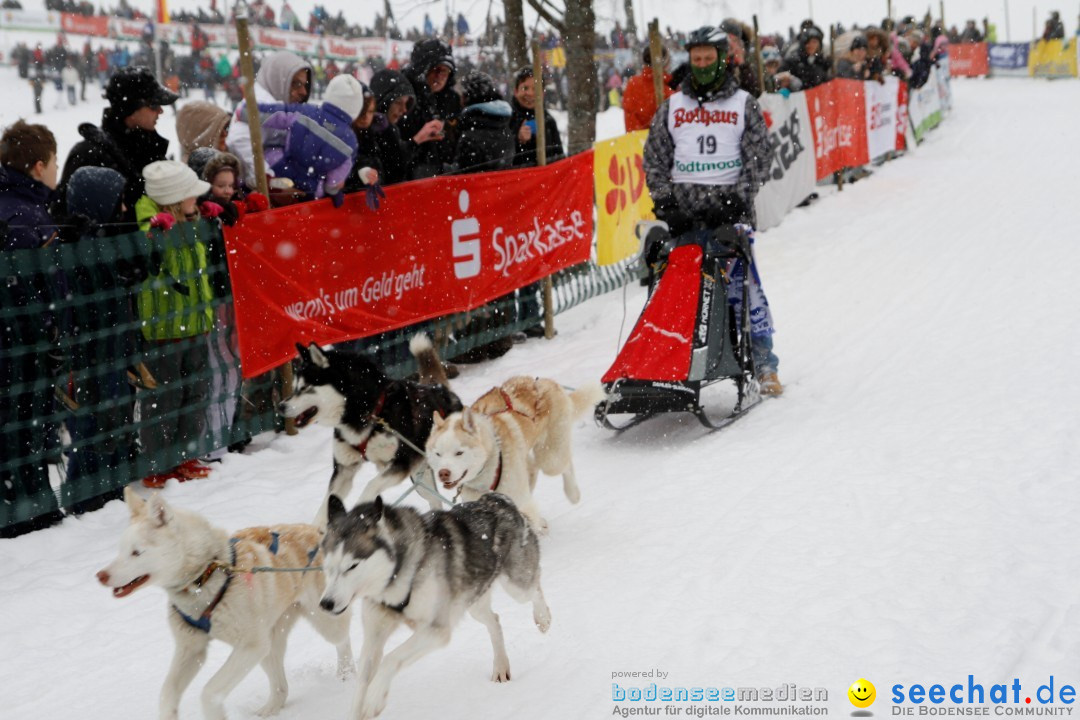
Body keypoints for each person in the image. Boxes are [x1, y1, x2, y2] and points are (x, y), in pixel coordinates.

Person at [643, 26, 781, 396]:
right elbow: (654, 157)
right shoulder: (673, 106)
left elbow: (758, 156)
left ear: (723, 60)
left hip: (729, 217)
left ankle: (764, 364)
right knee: (682, 295)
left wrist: (737, 200)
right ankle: (677, 365)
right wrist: (666, 204)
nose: (702, 65)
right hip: (684, 218)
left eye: (709, 59)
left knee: (742, 291)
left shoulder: (742, 103)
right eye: (696, 59)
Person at [61, 165, 141, 516]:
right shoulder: (75, 247)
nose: (124, 209)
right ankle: (84, 497)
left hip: (114, 348)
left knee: (118, 418)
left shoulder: (108, 238)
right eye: (117, 202)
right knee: (93, 426)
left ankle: (113, 488)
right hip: (90, 355)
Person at [0, 119, 64, 536]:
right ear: (39, 166)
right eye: (55, 161)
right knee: (24, 424)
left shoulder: (25, 206)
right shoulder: (21, 215)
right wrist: (49, 326)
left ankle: (33, 503)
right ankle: (24, 511)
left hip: (20, 339)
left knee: (26, 423)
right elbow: (30, 286)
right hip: (19, 341)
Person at [134, 160, 216, 487]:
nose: (196, 200)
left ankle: (186, 454)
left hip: (195, 321)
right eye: (191, 195)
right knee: (163, 398)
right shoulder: (149, 221)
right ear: (172, 198)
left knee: (196, 391)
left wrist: (209, 216)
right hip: (165, 329)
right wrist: (156, 234)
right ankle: (158, 462)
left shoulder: (189, 218)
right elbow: (147, 256)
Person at [57, 65, 178, 223]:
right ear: (131, 110)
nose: (160, 111)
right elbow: (68, 221)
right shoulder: (90, 154)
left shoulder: (148, 147)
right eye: (153, 105)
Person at [240, 73, 365, 202]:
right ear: (357, 108)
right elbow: (334, 181)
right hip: (310, 188)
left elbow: (278, 114)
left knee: (267, 157)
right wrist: (332, 190)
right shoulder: (350, 142)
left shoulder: (307, 112)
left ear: (330, 94)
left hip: (280, 168)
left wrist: (247, 112)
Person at [225, 49, 312, 190]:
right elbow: (239, 139)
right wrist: (267, 179)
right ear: (279, 79)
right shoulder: (261, 102)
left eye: (305, 85)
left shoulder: (276, 102)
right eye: (296, 84)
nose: (304, 92)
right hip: (247, 189)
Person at [398, 38, 461, 179]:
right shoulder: (404, 97)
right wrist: (419, 138)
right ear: (423, 69)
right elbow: (394, 149)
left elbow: (458, 137)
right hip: (410, 179)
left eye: (445, 71)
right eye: (435, 70)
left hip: (445, 178)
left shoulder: (452, 100)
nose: (440, 76)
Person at [455, 70, 514, 173]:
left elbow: (461, 175)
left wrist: (441, 168)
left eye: (461, 94)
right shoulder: (503, 125)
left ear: (467, 96)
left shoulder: (470, 136)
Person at [509, 66, 565, 168]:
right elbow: (500, 161)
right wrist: (517, 140)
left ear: (542, 93)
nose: (530, 93)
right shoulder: (506, 119)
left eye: (535, 89)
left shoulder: (549, 121)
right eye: (525, 88)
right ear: (516, 91)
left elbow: (560, 158)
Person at [622, 44, 674, 132]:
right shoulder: (669, 90)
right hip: (663, 144)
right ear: (665, 63)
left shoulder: (632, 84)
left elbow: (631, 124)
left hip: (636, 142)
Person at [782, 24, 830, 89]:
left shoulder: (822, 62)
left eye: (814, 42)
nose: (811, 45)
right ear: (803, 44)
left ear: (819, 44)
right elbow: (782, 76)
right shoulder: (793, 61)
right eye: (808, 42)